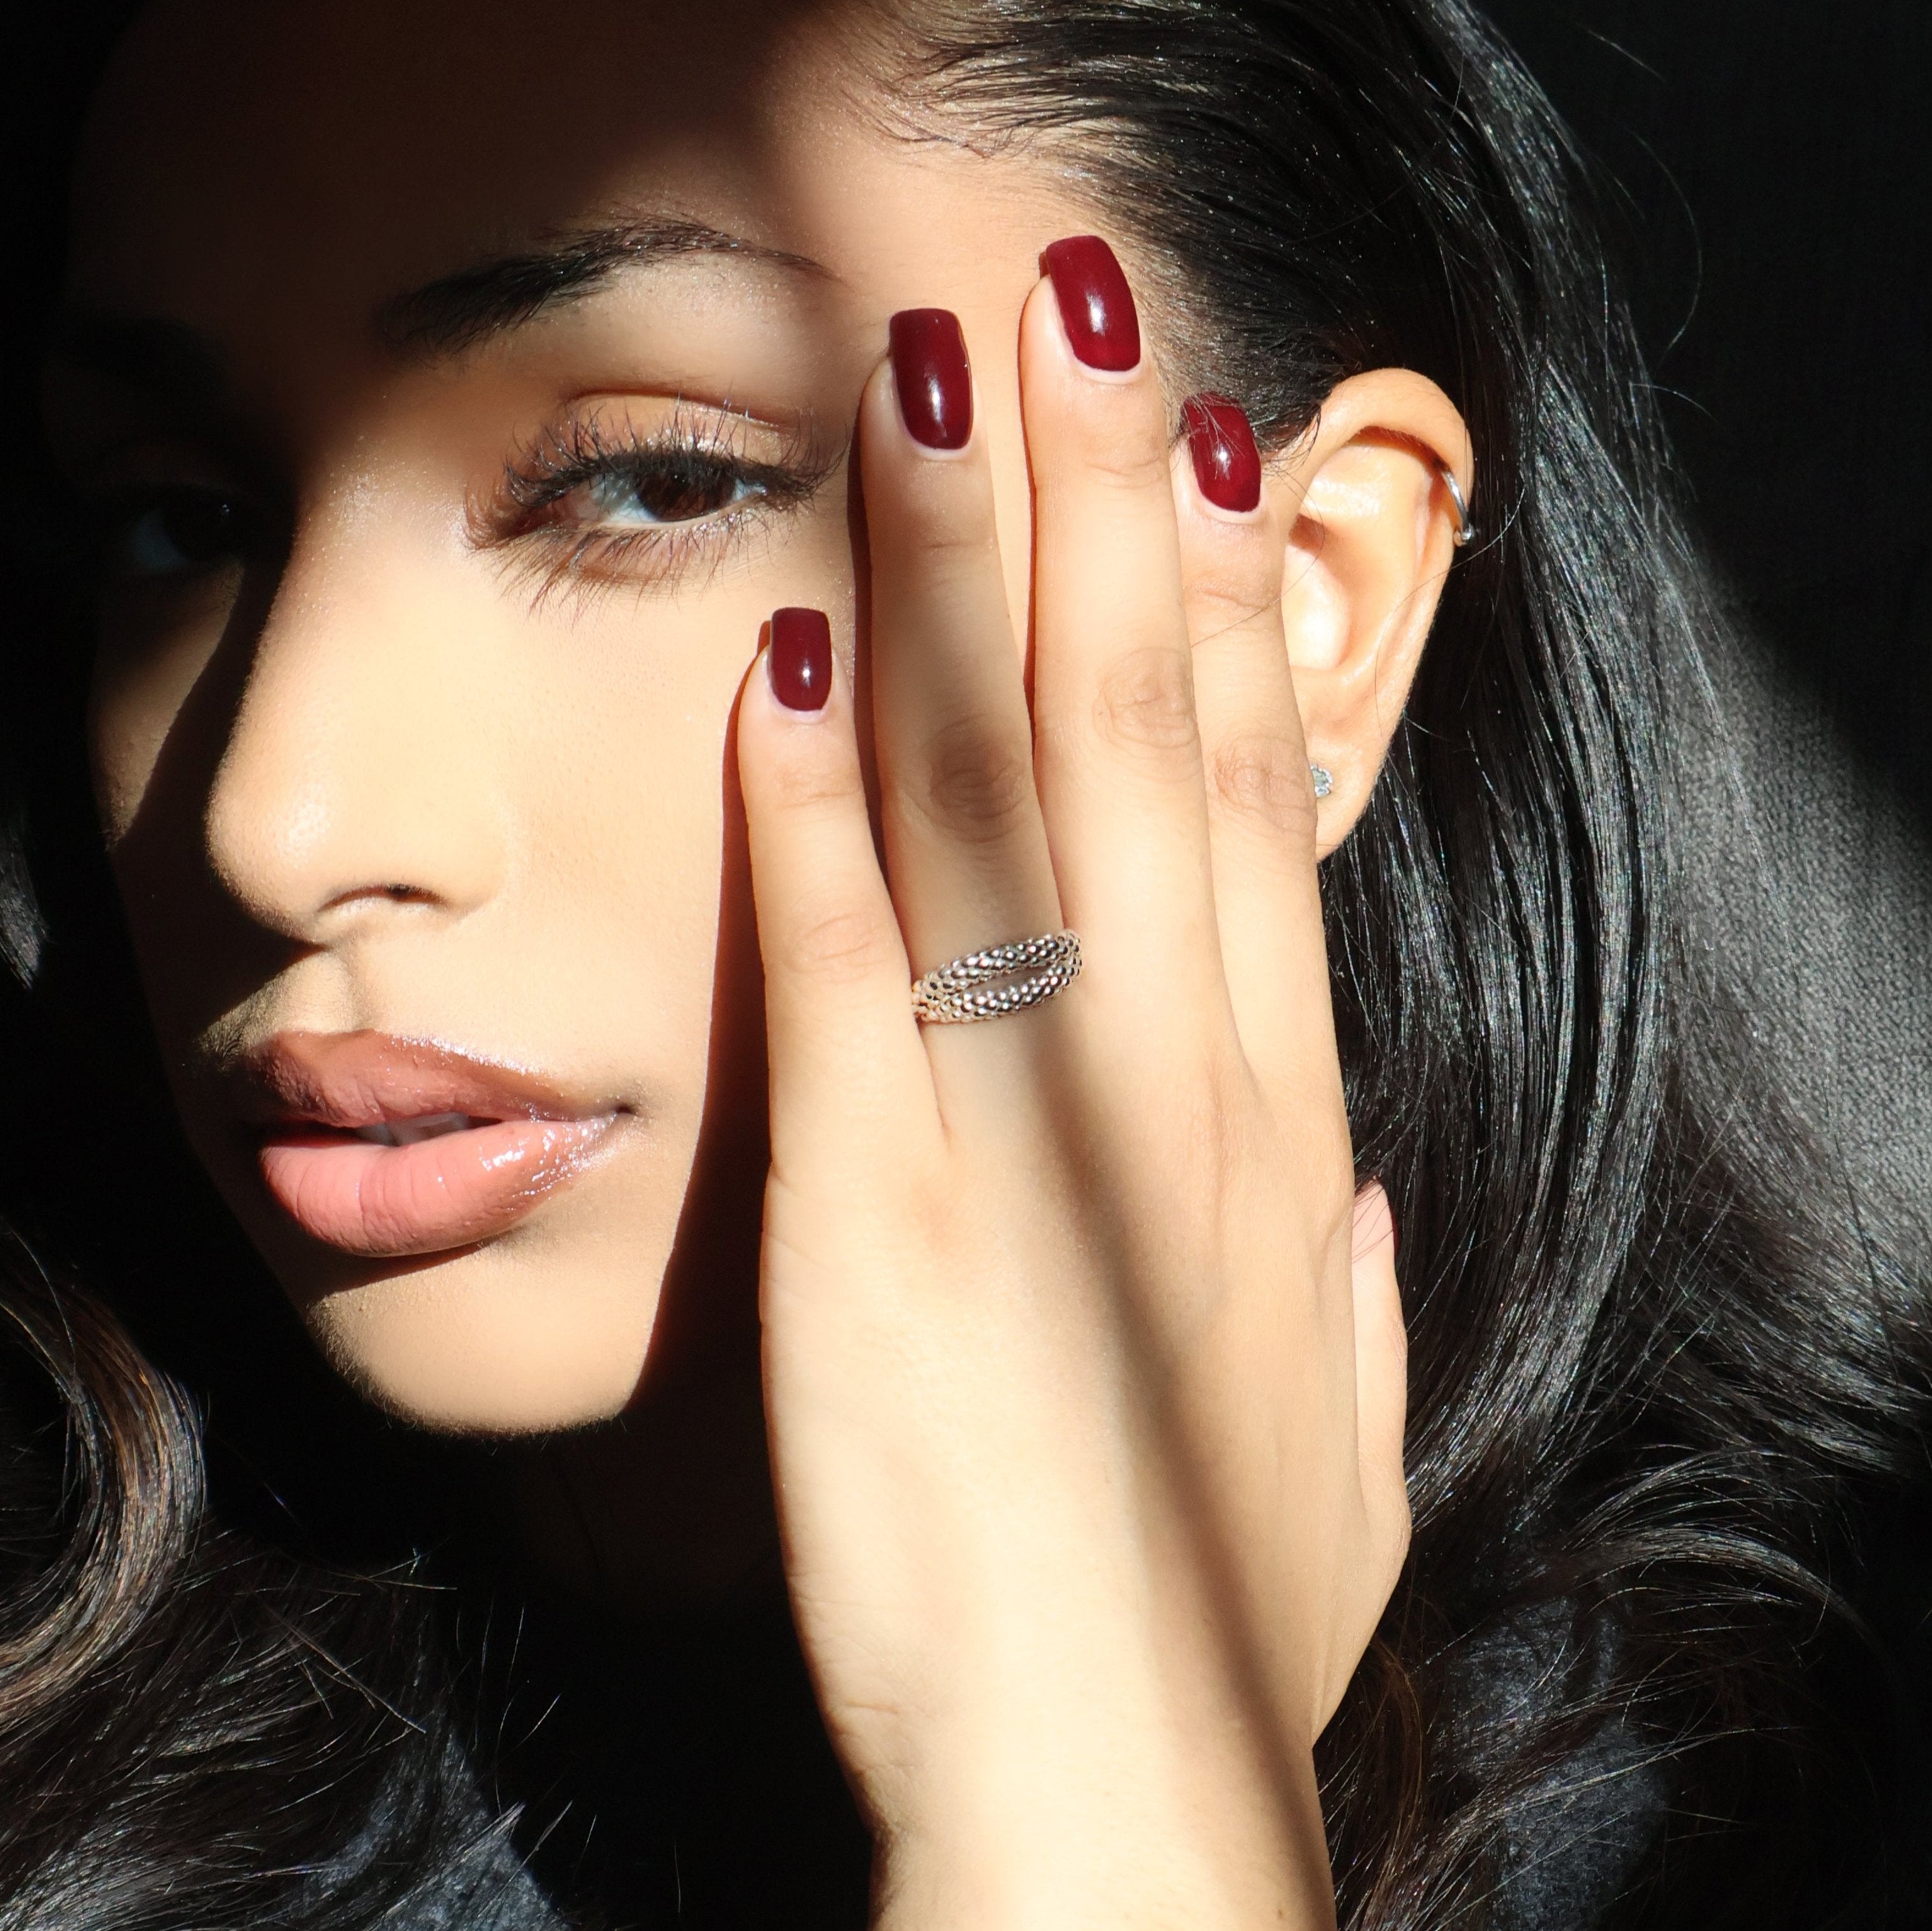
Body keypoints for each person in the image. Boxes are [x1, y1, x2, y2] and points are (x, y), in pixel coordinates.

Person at [0, 1, 1921, 1926]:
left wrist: (1093, 1762)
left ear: (1308, 603)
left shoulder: (1803, 1796)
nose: (274, 821)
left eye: (657, 480)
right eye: (183, 518)